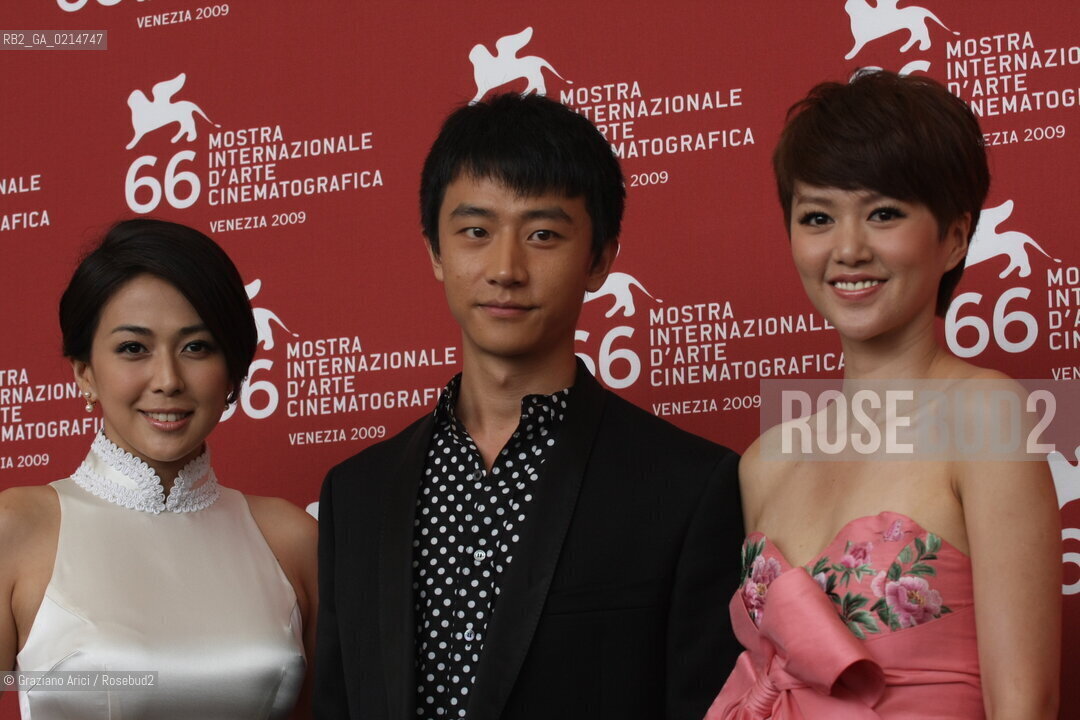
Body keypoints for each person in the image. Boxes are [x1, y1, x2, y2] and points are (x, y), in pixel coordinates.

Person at [314, 93, 744, 720]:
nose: (505, 268)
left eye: (543, 234)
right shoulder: (356, 493)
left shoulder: (687, 485)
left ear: (599, 258)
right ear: (436, 250)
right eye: (475, 232)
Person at [705, 71, 1061, 719]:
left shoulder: (987, 416)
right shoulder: (766, 461)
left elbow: (1027, 705)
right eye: (817, 217)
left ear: (954, 237)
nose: (847, 249)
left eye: (884, 214)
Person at [0, 219, 317, 719]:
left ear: (233, 371)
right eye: (133, 348)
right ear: (85, 371)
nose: (168, 379)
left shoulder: (292, 540)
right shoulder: (17, 528)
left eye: (197, 347)